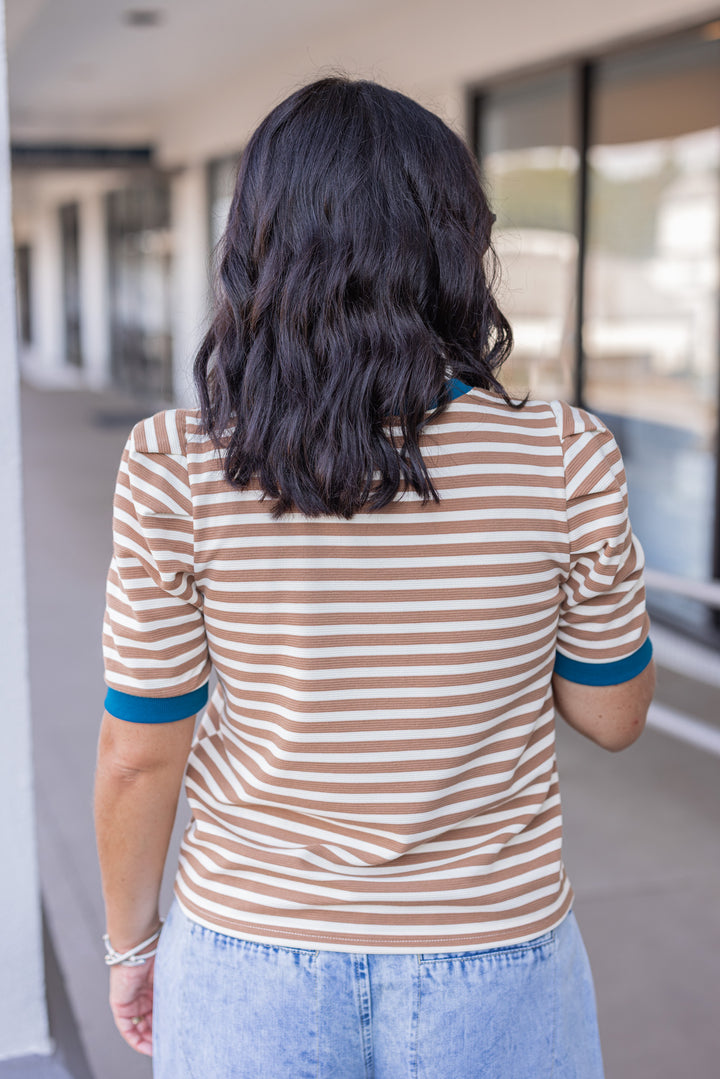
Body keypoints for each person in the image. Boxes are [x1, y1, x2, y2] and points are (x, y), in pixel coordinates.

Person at [94, 76, 655, 1079]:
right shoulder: (565, 456)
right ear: (456, 246)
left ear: (255, 246)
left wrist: (132, 944)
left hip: (246, 952)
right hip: (497, 956)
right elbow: (612, 717)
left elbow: (140, 755)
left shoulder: (174, 462)